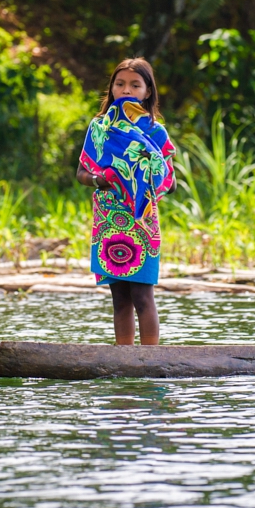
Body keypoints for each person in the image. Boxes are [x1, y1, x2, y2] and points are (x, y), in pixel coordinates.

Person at [77, 58, 176, 346]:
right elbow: (82, 173)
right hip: (108, 218)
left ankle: (150, 360)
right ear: (111, 89)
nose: (126, 90)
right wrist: (104, 178)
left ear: (147, 92)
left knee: (142, 295)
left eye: (135, 85)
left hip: (141, 219)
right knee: (119, 297)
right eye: (119, 84)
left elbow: (170, 181)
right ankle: (125, 360)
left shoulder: (156, 132)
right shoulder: (99, 128)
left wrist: (139, 174)